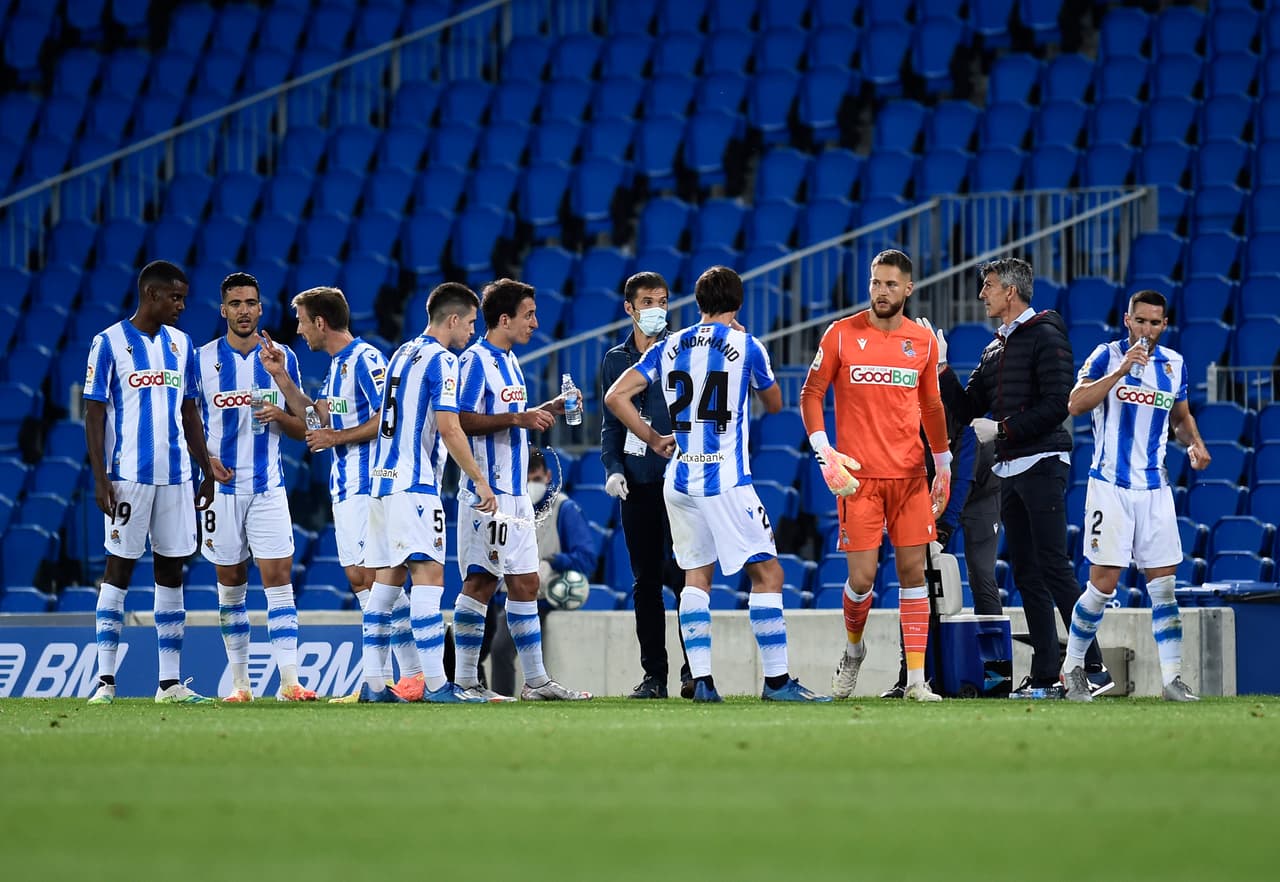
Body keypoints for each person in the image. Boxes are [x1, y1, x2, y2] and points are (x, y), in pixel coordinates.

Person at [606, 265, 830, 703]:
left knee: (696, 577)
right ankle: (778, 682)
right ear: (738, 303)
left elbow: (615, 395)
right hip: (725, 480)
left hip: (680, 479)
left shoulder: (669, 345)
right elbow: (775, 402)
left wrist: (652, 438)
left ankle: (704, 682)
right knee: (768, 574)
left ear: (697, 302)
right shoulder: (747, 346)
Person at [926, 257, 1110, 699]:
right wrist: (942, 369)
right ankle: (1048, 674)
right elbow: (969, 408)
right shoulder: (995, 348)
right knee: (1027, 572)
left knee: (1052, 566)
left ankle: (1095, 667)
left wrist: (1003, 430)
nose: (981, 295)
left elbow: (1059, 405)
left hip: (1044, 462)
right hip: (1010, 469)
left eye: (987, 286)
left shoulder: (1046, 334)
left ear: (1011, 292)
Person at [799, 249, 952, 703]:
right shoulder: (842, 335)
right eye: (875, 283)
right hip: (857, 479)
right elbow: (811, 395)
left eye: (890, 284)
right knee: (862, 579)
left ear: (908, 289)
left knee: (912, 575)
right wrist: (824, 449)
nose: (881, 292)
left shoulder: (921, 342)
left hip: (909, 477)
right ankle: (853, 652)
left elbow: (931, 405)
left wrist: (941, 461)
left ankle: (917, 682)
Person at [259, 286, 422, 702]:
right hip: (346, 487)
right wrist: (281, 376)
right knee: (359, 578)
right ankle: (394, 678)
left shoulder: (366, 359)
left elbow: (390, 414)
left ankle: (409, 675)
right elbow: (317, 416)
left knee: (376, 578)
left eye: (301, 321)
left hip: (370, 485)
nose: (298, 330)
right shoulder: (336, 367)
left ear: (320, 321)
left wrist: (337, 437)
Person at [84, 259, 224, 705]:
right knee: (118, 570)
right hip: (129, 478)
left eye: (183, 297)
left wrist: (204, 468)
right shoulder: (107, 343)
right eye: (175, 297)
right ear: (151, 295)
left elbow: (189, 412)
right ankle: (105, 681)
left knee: (171, 572)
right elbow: (93, 413)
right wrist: (100, 477)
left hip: (178, 478)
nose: (182, 305)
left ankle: (169, 684)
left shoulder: (182, 345)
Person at [1060, 289, 1208, 702]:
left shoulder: (1174, 364)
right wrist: (1122, 371)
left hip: (1155, 488)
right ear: (1127, 320)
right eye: (1140, 320)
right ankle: (1072, 669)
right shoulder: (1107, 355)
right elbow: (1075, 404)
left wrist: (1193, 442)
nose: (1147, 329)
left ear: (1164, 325)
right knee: (1104, 583)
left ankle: (1171, 679)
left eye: (1154, 322)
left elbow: (1179, 417)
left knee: (1163, 585)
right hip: (1110, 485)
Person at [451, 278, 591, 701]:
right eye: (528, 314)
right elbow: (459, 419)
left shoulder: (510, 362)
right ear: (505, 318)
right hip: (486, 494)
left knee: (526, 583)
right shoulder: (475, 361)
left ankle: (536, 681)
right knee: (480, 583)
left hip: (515, 496)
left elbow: (513, 417)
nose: (536, 322)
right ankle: (465, 681)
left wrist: (544, 411)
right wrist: (518, 420)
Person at [360, 282, 499, 704]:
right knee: (429, 578)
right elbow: (449, 426)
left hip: (381, 483)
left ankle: (371, 685)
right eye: (471, 323)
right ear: (453, 319)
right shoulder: (443, 361)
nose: (473, 332)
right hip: (414, 484)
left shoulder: (402, 352)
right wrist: (478, 478)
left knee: (386, 584)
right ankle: (439, 686)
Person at [195, 271, 316, 702]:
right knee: (230, 583)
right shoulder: (202, 360)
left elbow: (308, 427)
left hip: (268, 487)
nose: (243, 311)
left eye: (251, 303)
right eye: (235, 304)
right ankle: (241, 683)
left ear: (261, 309)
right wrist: (204, 460)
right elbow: (185, 422)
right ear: (223, 309)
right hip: (222, 493)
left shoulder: (282, 356)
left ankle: (290, 682)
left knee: (278, 579)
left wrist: (282, 411)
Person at [600, 271, 692, 699]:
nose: (657, 309)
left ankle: (697, 670)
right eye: (648, 301)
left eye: (663, 300)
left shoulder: (684, 349)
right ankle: (655, 676)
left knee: (686, 576)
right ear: (629, 308)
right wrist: (612, 468)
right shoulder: (614, 360)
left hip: (679, 480)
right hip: (635, 484)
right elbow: (609, 425)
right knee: (645, 582)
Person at [480, 447, 599, 696]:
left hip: (543, 596)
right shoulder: (508, 507)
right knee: (485, 644)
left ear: (547, 476)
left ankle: (508, 696)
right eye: (526, 481)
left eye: (536, 479)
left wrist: (554, 561)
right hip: (502, 595)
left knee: (502, 646)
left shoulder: (563, 509)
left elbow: (587, 558)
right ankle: (491, 691)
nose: (532, 485)